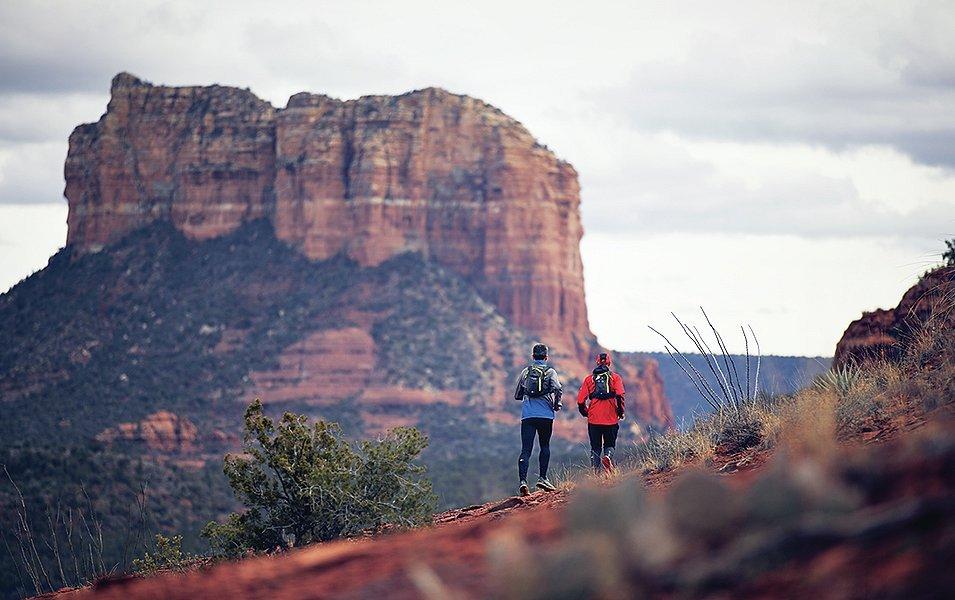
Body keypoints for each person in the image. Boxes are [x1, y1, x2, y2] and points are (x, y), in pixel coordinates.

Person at [513, 343, 562, 495]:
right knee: (544, 446)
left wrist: (525, 396)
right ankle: (542, 478)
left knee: (526, 450)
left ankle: (523, 481)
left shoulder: (526, 372)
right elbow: (558, 388)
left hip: (528, 415)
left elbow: (517, 394)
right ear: (546, 357)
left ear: (533, 356)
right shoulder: (550, 371)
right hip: (546, 415)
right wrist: (556, 404)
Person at [576, 352, 626, 475]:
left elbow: (580, 400)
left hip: (594, 419)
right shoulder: (615, 378)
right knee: (609, 444)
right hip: (611, 418)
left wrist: (586, 413)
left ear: (597, 362)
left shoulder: (589, 379)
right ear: (609, 362)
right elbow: (619, 395)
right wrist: (620, 411)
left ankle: (595, 474)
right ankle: (608, 457)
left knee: (595, 447)